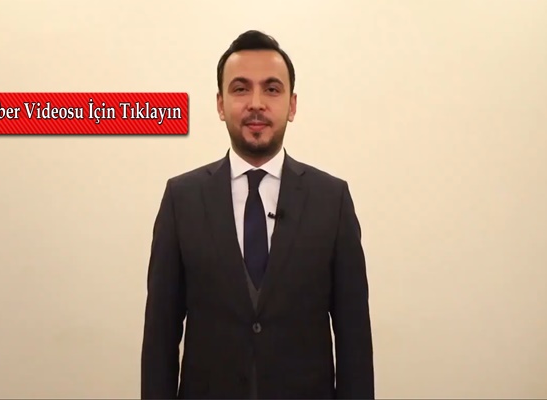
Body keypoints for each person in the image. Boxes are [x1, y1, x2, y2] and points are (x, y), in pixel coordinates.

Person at [141, 30, 374, 399]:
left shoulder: (333, 200)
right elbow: (160, 337)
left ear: (292, 105)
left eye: (271, 89)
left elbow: (354, 341)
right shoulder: (181, 199)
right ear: (220, 104)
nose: (256, 103)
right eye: (240, 89)